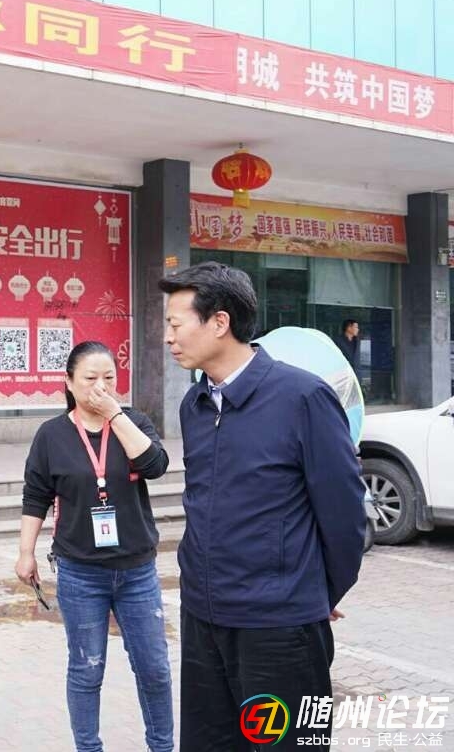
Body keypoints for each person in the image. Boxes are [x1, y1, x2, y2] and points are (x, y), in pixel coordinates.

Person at [160, 262, 365, 750]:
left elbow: (344, 515)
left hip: (280, 629)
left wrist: (313, 596)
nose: (168, 337)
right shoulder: (195, 405)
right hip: (204, 618)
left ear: (220, 322)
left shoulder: (302, 397)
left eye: (175, 323)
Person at [15, 341, 173, 752]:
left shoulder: (133, 422)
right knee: (86, 670)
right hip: (80, 572)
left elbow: (156, 466)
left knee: (154, 669)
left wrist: (115, 415)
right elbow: (35, 495)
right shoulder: (51, 435)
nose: (100, 386)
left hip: (137, 571)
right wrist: (26, 552)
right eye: (90, 378)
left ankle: (161, 746)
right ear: (68, 382)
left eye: (109, 378)